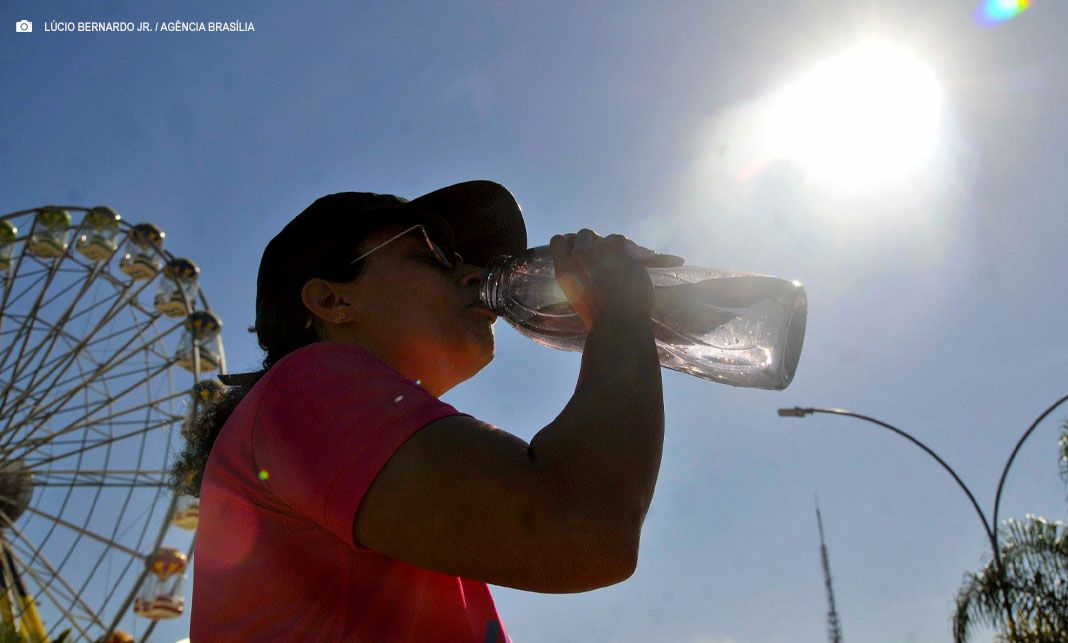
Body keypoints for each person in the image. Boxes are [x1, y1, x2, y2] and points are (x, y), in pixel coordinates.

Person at [173, 180, 683, 641]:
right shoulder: (304, 386)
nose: (472, 275)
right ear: (332, 300)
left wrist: (621, 327)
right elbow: (581, 527)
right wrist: (618, 316)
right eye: (432, 253)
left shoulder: (331, 440)